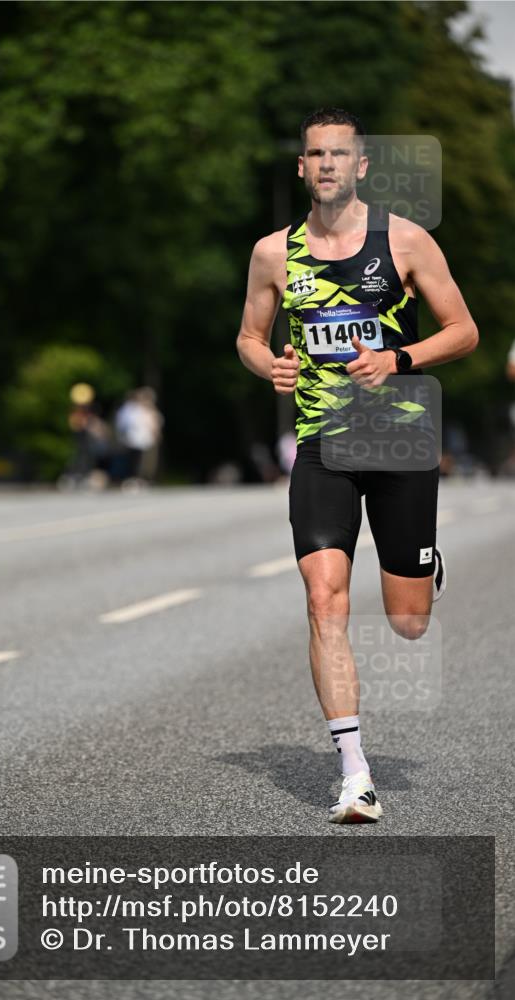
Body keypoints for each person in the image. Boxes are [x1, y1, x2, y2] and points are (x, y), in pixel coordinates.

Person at [236, 108, 479, 823]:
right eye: (315, 154)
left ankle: (421, 566)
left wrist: (397, 358)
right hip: (321, 442)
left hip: (399, 439)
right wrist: (268, 365)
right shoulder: (271, 254)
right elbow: (249, 336)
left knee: (407, 622)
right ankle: (353, 774)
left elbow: (463, 330)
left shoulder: (403, 240)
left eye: (339, 154)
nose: (328, 165)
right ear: (302, 167)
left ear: (361, 165)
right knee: (324, 600)